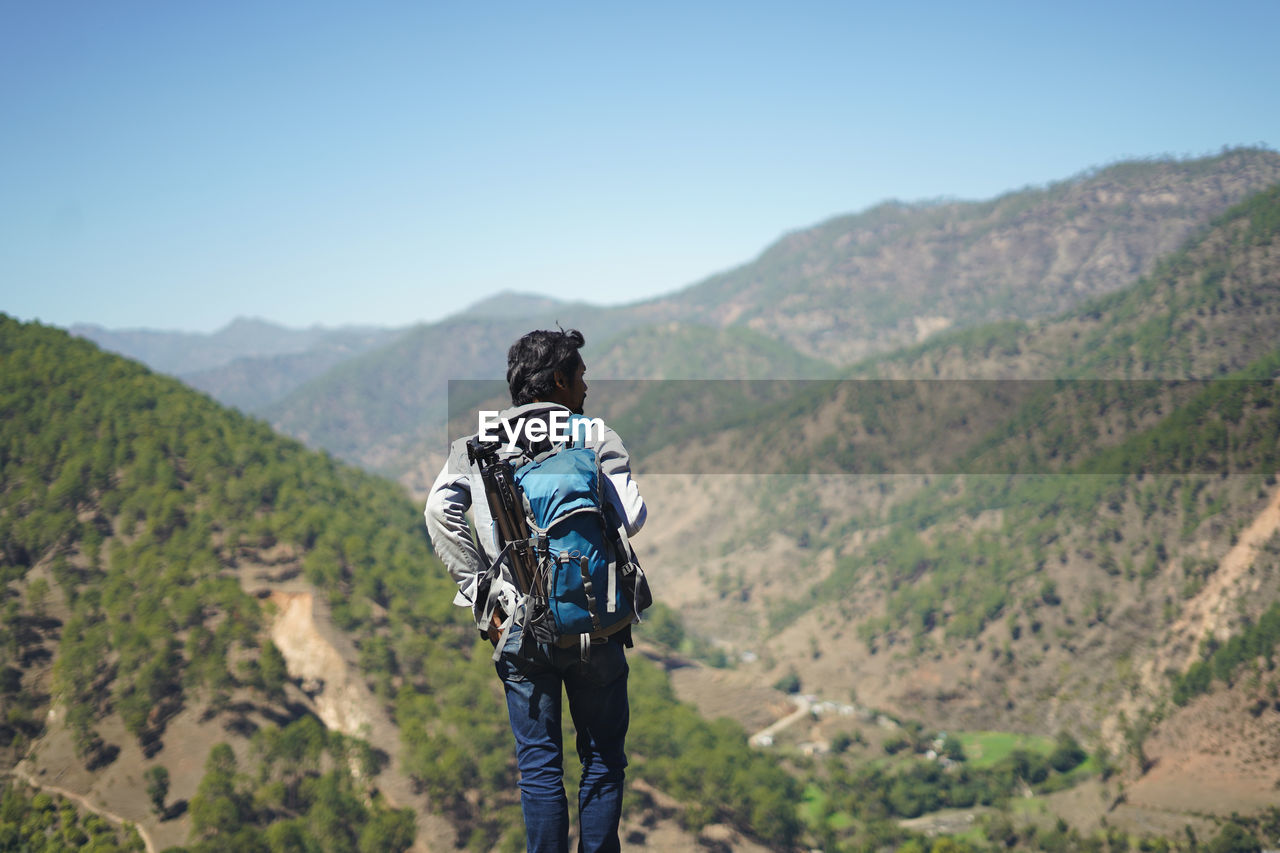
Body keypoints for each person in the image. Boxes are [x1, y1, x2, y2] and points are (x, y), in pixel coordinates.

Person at [424, 328, 646, 853]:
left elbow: (439, 512)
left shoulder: (477, 444)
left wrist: (482, 593)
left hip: (521, 626)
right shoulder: (592, 435)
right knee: (602, 761)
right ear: (560, 380)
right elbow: (632, 517)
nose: (586, 388)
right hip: (596, 622)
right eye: (582, 377)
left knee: (540, 769)